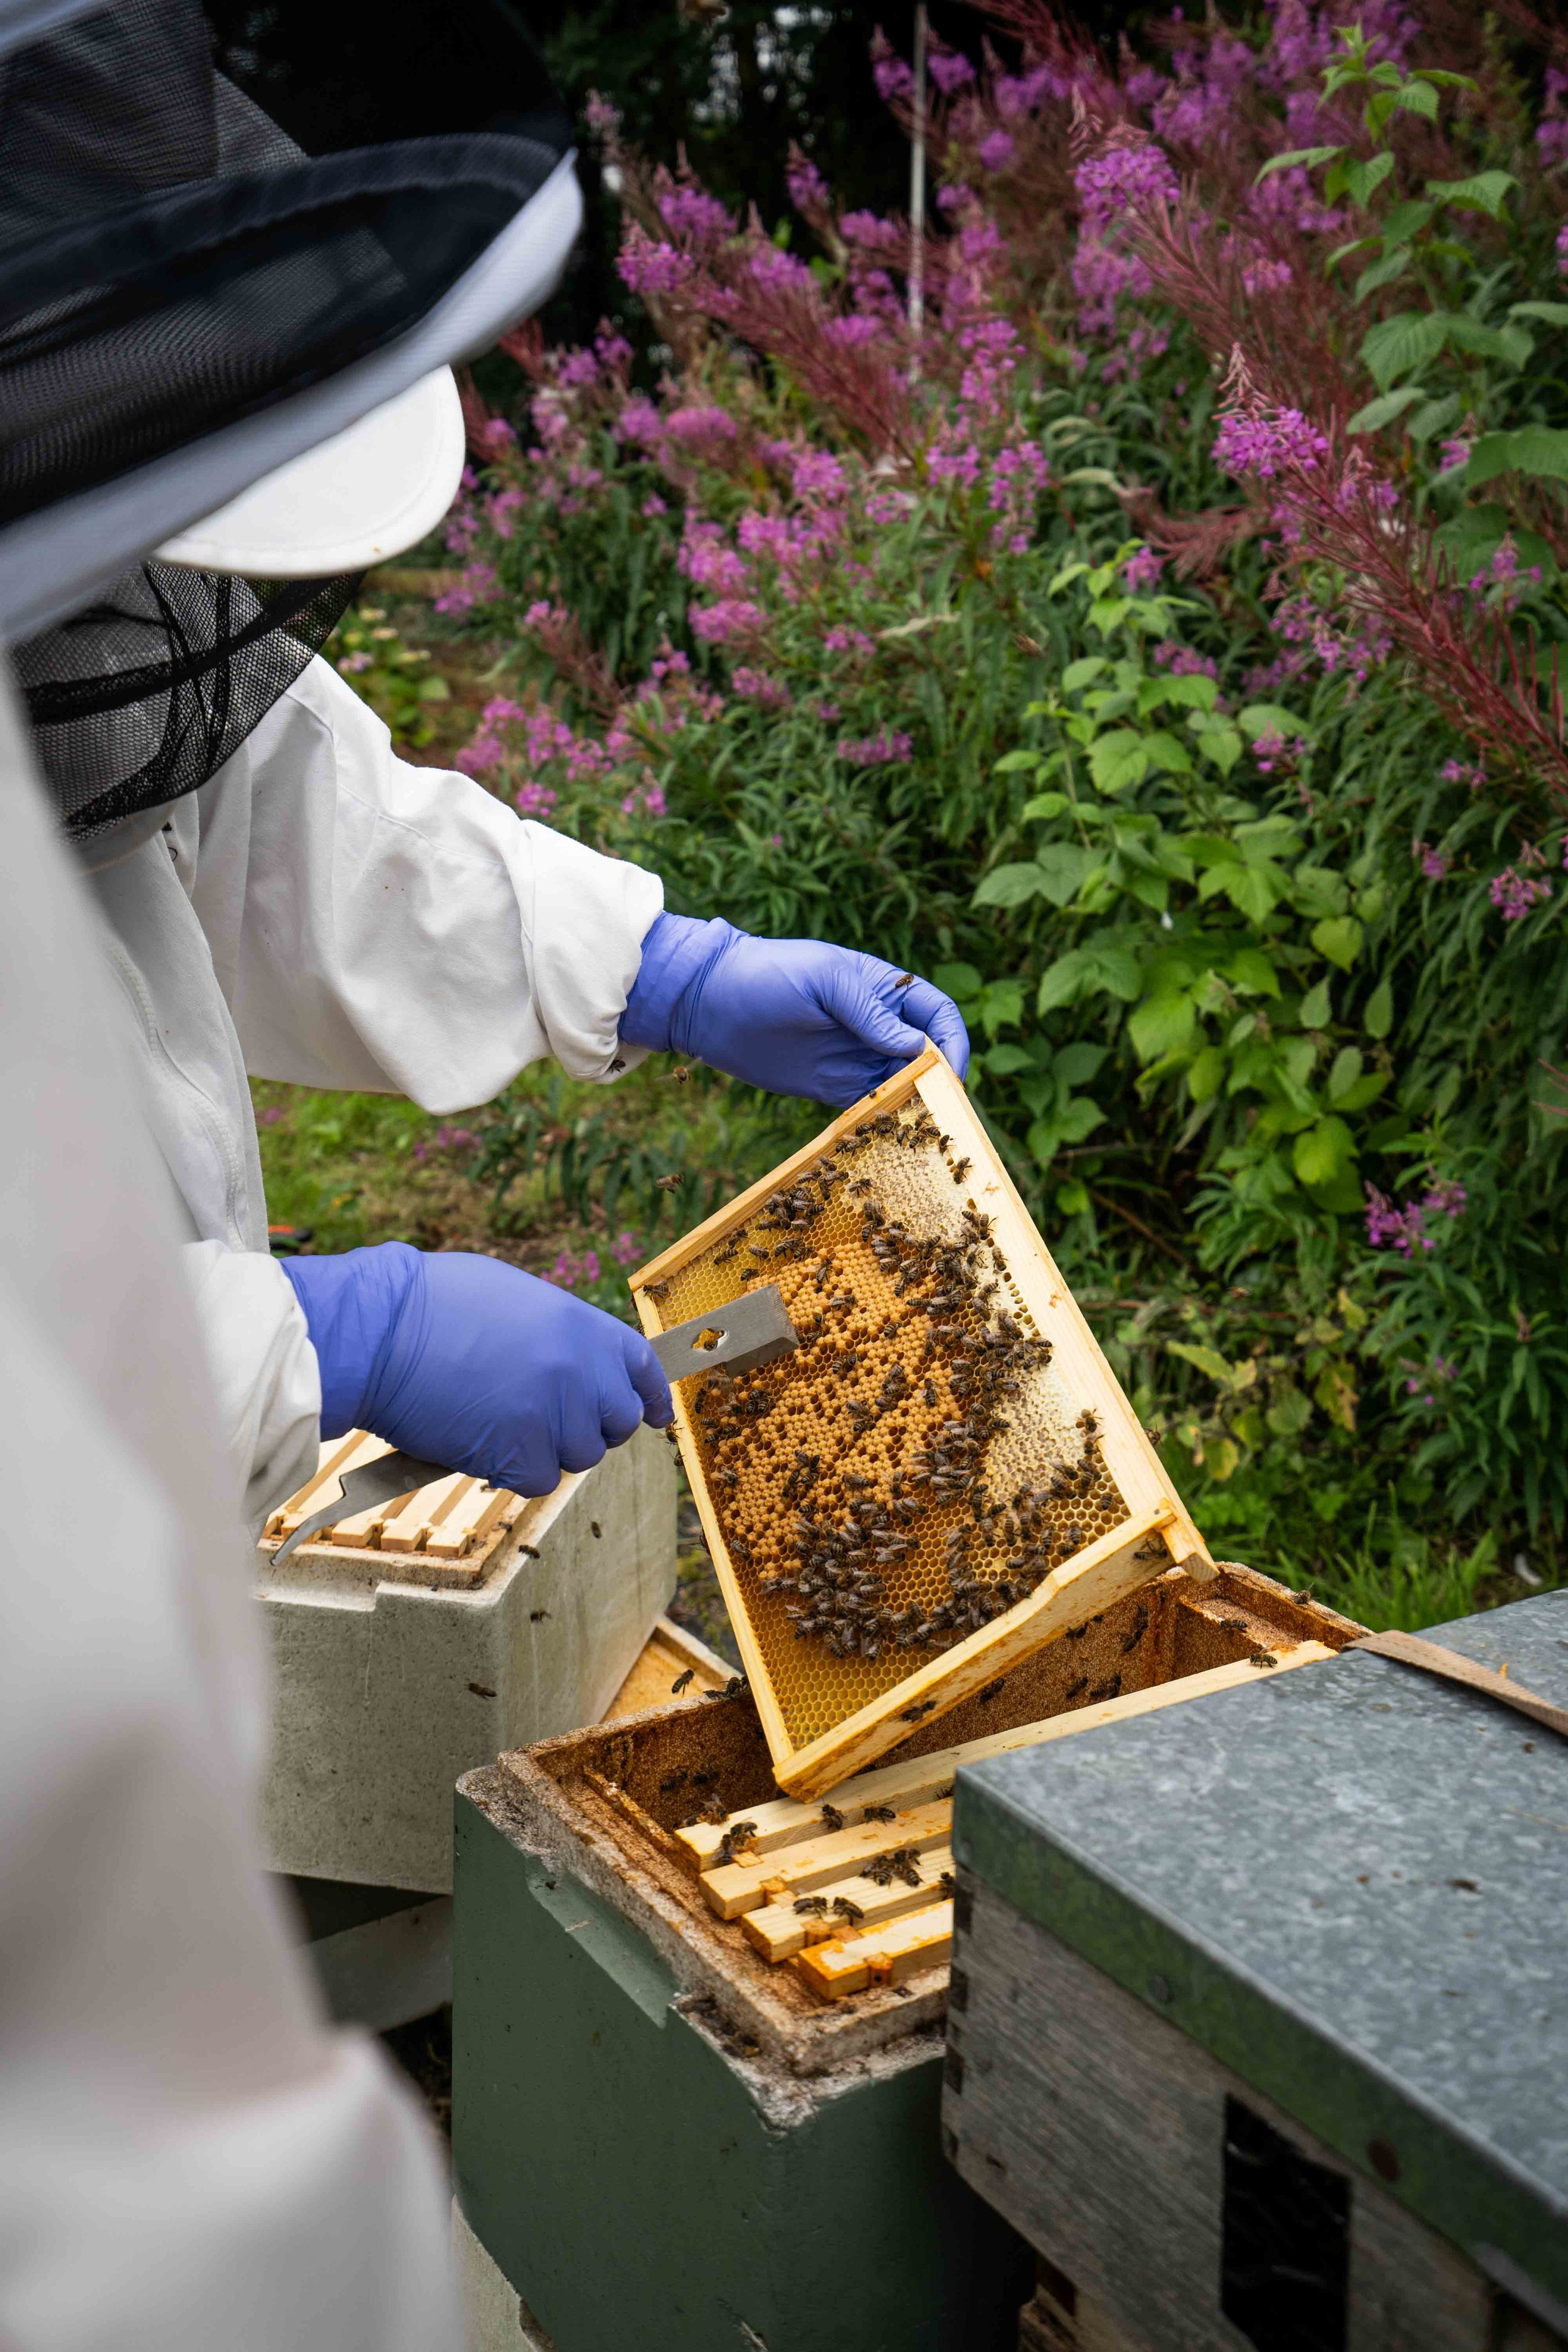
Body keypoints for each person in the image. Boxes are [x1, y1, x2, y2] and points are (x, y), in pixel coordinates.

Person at [0, 4, 966, 2344]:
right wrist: (320, 1336)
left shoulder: (101, 623)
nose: (184, 620)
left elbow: (257, 792)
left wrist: (662, 964)